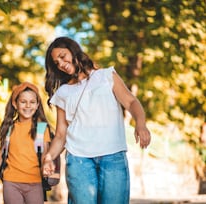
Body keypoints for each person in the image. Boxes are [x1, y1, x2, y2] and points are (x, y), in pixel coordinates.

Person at [42, 37, 151, 204]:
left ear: (73, 51)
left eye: (63, 56)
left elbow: (131, 102)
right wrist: (49, 157)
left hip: (113, 155)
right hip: (79, 160)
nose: (61, 64)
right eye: (57, 63)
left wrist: (140, 123)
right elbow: (61, 135)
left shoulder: (106, 76)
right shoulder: (63, 93)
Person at [0, 82, 51, 204]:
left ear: (37, 105)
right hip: (11, 183)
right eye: (23, 102)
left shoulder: (42, 129)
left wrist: (47, 166)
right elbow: (0, 159)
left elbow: (45, 157)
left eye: (32, 102)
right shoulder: (9, 129)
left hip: (35, 183)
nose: (27, 106)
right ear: (15, 104)